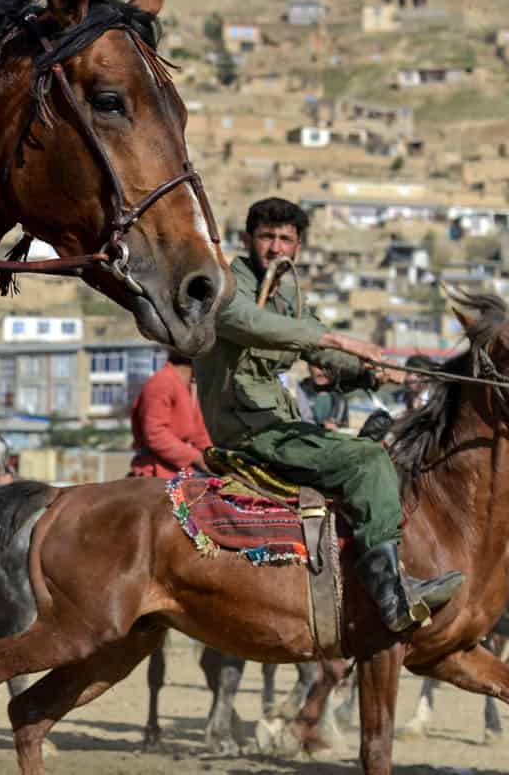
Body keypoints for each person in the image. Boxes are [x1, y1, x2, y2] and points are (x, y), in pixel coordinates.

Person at [195, 197, 463, 633]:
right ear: (248, 239)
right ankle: (392, 596)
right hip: (246, 426)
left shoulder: (288, 295)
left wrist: (378, 374)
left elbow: (319, 352)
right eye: (267, 236)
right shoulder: (226, 283)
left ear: (299, 245)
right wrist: (339, 340)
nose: (276, 246)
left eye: (286, 238)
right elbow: (251, 323)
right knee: (367, 460)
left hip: (277, 422)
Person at [128, 351, 211, 478]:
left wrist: (214, 459)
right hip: (155, 474)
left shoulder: (189, 388)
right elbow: (155, 434)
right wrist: (196, 457)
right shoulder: (161, 382)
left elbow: (200, 436)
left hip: (180, 472)